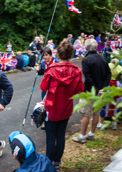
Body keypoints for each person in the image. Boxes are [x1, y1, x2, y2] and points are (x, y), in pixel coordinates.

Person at [40, 41, 84, 169]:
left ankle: (49, 162)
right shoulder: (76, 71)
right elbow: (79, 91)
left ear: (57, 53)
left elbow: (43, 87)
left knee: (50, 136)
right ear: (71, 54)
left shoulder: (51, 70)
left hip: (51, 108)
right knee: (60, 135)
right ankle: (57, 161)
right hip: (66, 108)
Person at [72, 39, 111, 144]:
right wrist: (103, 88)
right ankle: (91, 133)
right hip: (101, 91)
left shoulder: (86, 60)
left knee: (86, 114)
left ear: (86, 48)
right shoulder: (103, 59)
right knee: (96, 113)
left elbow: (88, 77)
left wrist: (97, 89)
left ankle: (82, 136)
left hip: (90, 91)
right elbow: (108, 74)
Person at [97, 51, 122, 130]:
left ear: (111, 57)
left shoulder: (107, 65)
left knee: (104, 104)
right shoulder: (121, 68)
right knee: (115, 104)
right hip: (118, 86)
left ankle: (101, 124)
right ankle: (114, 123)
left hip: (108, 85)